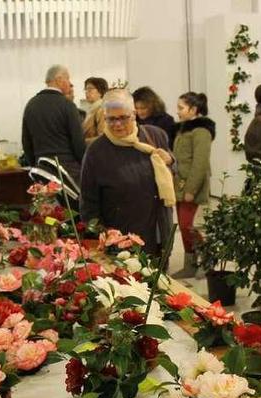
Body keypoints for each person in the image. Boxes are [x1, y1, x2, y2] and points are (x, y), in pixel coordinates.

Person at [80, 89, 176, 255]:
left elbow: (172, 169)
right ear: (104, 117)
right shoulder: (96, 151)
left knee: (160, 277)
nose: (117, 124)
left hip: (159, 230)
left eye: (123, 118)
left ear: (134, 114)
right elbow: (88, 203)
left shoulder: (155, 135)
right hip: (123, 240)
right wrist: (102, 234)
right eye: (111, 119)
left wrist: (171, 161)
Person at [172, 92, 215, 279]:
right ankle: (192, 263)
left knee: (187, 224)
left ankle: (206, 259)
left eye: (181, 108)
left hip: (191, 185)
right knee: (184, 225)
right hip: (180, 183)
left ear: (194, 109)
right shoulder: (185, 129)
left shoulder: (201, 131)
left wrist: (191, 189)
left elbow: (200, 162)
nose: (178, 112)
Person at [22, 65, 87, 185]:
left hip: (42, 170)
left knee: (46, 203)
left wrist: (35, 164)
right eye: (68, 79)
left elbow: (26, 142)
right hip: (68, 171)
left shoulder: (30, 105)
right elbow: (78, 142)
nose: (69, 83)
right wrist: (85, 165)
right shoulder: (67, 105)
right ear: (59, 80)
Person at [82, 76, 109, 145]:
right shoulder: (91, 110)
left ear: (100, 92)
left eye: (90, 89)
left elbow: (103, 137)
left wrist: (81, 142)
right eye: (85, 89)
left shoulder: (102, 109)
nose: (86, 92)